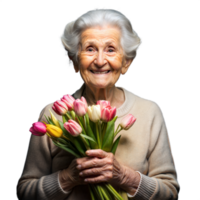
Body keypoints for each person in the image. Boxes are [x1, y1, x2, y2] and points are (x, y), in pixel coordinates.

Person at [15, 7, 181, 200]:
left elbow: (170, 192)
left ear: (126, 62)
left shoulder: (150, 112)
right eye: (90, 49)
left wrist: (125, 177)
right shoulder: (53, 114)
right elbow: (24, 192)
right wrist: (68, 178)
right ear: (75, 62)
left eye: (111, 49)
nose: (100, 60)